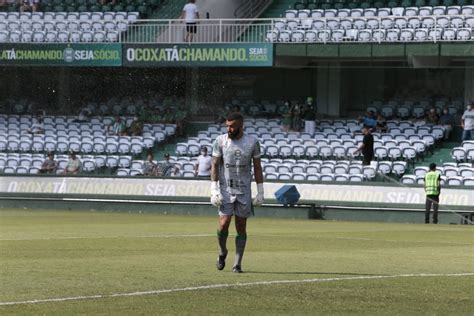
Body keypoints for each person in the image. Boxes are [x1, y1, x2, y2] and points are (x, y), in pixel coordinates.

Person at [211, 112, 264, 273]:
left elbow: (257, 167)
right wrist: (213, 189)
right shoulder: (220, 141)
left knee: (241, 226)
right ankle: (222, 251)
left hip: (244, 190)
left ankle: (237, 263)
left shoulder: (252, 142)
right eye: (227, 126)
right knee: (223, 223)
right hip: (225, 190)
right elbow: (214, 165)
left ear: (241, 126)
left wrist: (260, 191)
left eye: (232, 126)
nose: (229, 129)